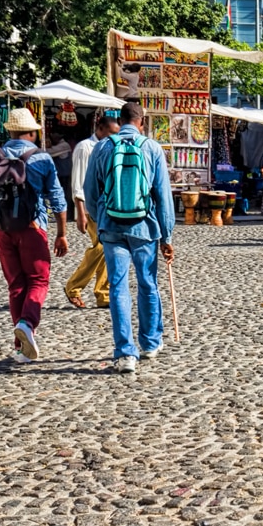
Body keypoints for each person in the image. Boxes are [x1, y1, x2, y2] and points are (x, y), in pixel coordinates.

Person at [85, 101, 175, 375]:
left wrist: (100, 219)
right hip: (144, 228)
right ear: (142, 122)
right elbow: (162, 196)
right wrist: (166, 235)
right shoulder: (152, 148)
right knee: (148, 284)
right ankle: (150, 343)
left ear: (120, 119)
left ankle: (125, 354)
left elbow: (90, 192)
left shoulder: (102, 147)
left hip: (112, 229)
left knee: (118, 288)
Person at [0, 107, 69, 362]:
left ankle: (21, 349)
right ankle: (27, 324)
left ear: (11, 132)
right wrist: (62, 233)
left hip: (4, 228)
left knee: (16, 285)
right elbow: (57, 198)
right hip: (33, 228)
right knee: (38, 282)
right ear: (31, 132)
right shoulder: (41, 158)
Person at [64, 111, 119, 309]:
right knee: (102, 247)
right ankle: (73, 285)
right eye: (111, 132)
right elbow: (78, 181)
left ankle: (103, 293)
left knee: (106, 248)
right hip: (90, 207)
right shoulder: (85, 147)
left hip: (104, 206)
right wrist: (80, 211)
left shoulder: (109, 147)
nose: (113, 137)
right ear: (101, 128)